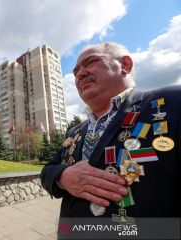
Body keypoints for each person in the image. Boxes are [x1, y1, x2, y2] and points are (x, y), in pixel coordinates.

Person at [41, 42, 180, 236]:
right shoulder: (74, 132)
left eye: (90, 62)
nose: (80, 74)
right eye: (75, 72)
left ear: (125, 65)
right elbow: (48, 170)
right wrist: (63, 177)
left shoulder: (172, 102)